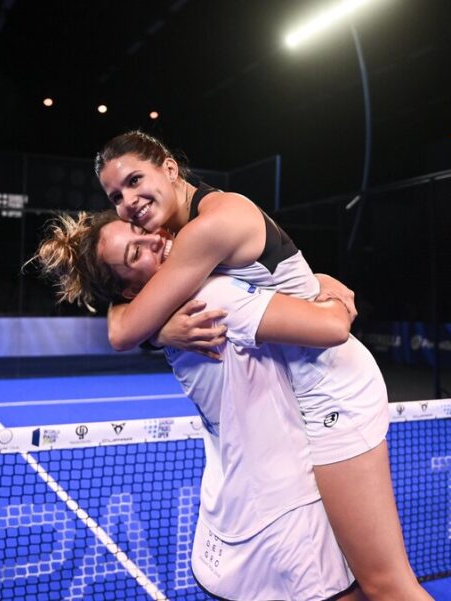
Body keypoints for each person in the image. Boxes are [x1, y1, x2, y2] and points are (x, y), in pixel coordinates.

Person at [81, 131, 429, 599]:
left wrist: (156, 329)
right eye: (114, 196)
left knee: (385, 583)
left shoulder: (205, 230)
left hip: (331, 386)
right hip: (305, 384)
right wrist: (161, 330)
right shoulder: (183, 230)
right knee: (360, 583)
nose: (128, 202)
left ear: (169, 166)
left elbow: (125, 328)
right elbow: (126, 310)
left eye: (134, 180)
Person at [38, 212, 363, 600]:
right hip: (285, 505)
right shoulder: (211, 298)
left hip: (231, 503)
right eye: (134, 253)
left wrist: (154, 333)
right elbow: (331, 329)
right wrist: (330, 293)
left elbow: (123, 322)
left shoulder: (170, 308)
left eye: (142, 232)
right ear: (129, 293)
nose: (155, 241)